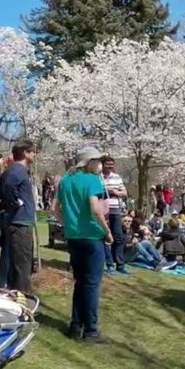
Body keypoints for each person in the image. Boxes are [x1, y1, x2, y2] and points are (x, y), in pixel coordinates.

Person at [52, 146, 113, 343]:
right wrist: (107, 231)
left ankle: (75, 325)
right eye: (98, 161)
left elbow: (54, 208)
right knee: (92, 284)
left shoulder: (65, 180)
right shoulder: (92, 180)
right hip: (92, 237)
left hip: (73, 238)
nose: (100, 165)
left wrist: (67, 223)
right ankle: (91, 330)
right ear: (88, 162)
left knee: (80, 282)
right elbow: (96, 209)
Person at [0, 140, 38, 294]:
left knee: (16, 263)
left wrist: (5, 202)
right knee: (22, 264)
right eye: (33, 152)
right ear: (25, 153)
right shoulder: (17, 170)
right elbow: (7, 186)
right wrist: (14, 202)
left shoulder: (13, 170)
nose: (35, 155)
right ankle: (22, 296)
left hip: (19, 221)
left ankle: (13, 293)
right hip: (20, 223)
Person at [100, 156, 130, 275]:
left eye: (111, 164)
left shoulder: (117, 177)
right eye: (107, 164)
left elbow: (125, 193)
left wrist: (115, 192)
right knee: (105, 236)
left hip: (115, 210)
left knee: (118, 237)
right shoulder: (98, 177)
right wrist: (105, 191)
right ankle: (109, 264)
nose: (110, 166)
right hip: (103, 211)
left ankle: (120, 264)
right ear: (103, 165)